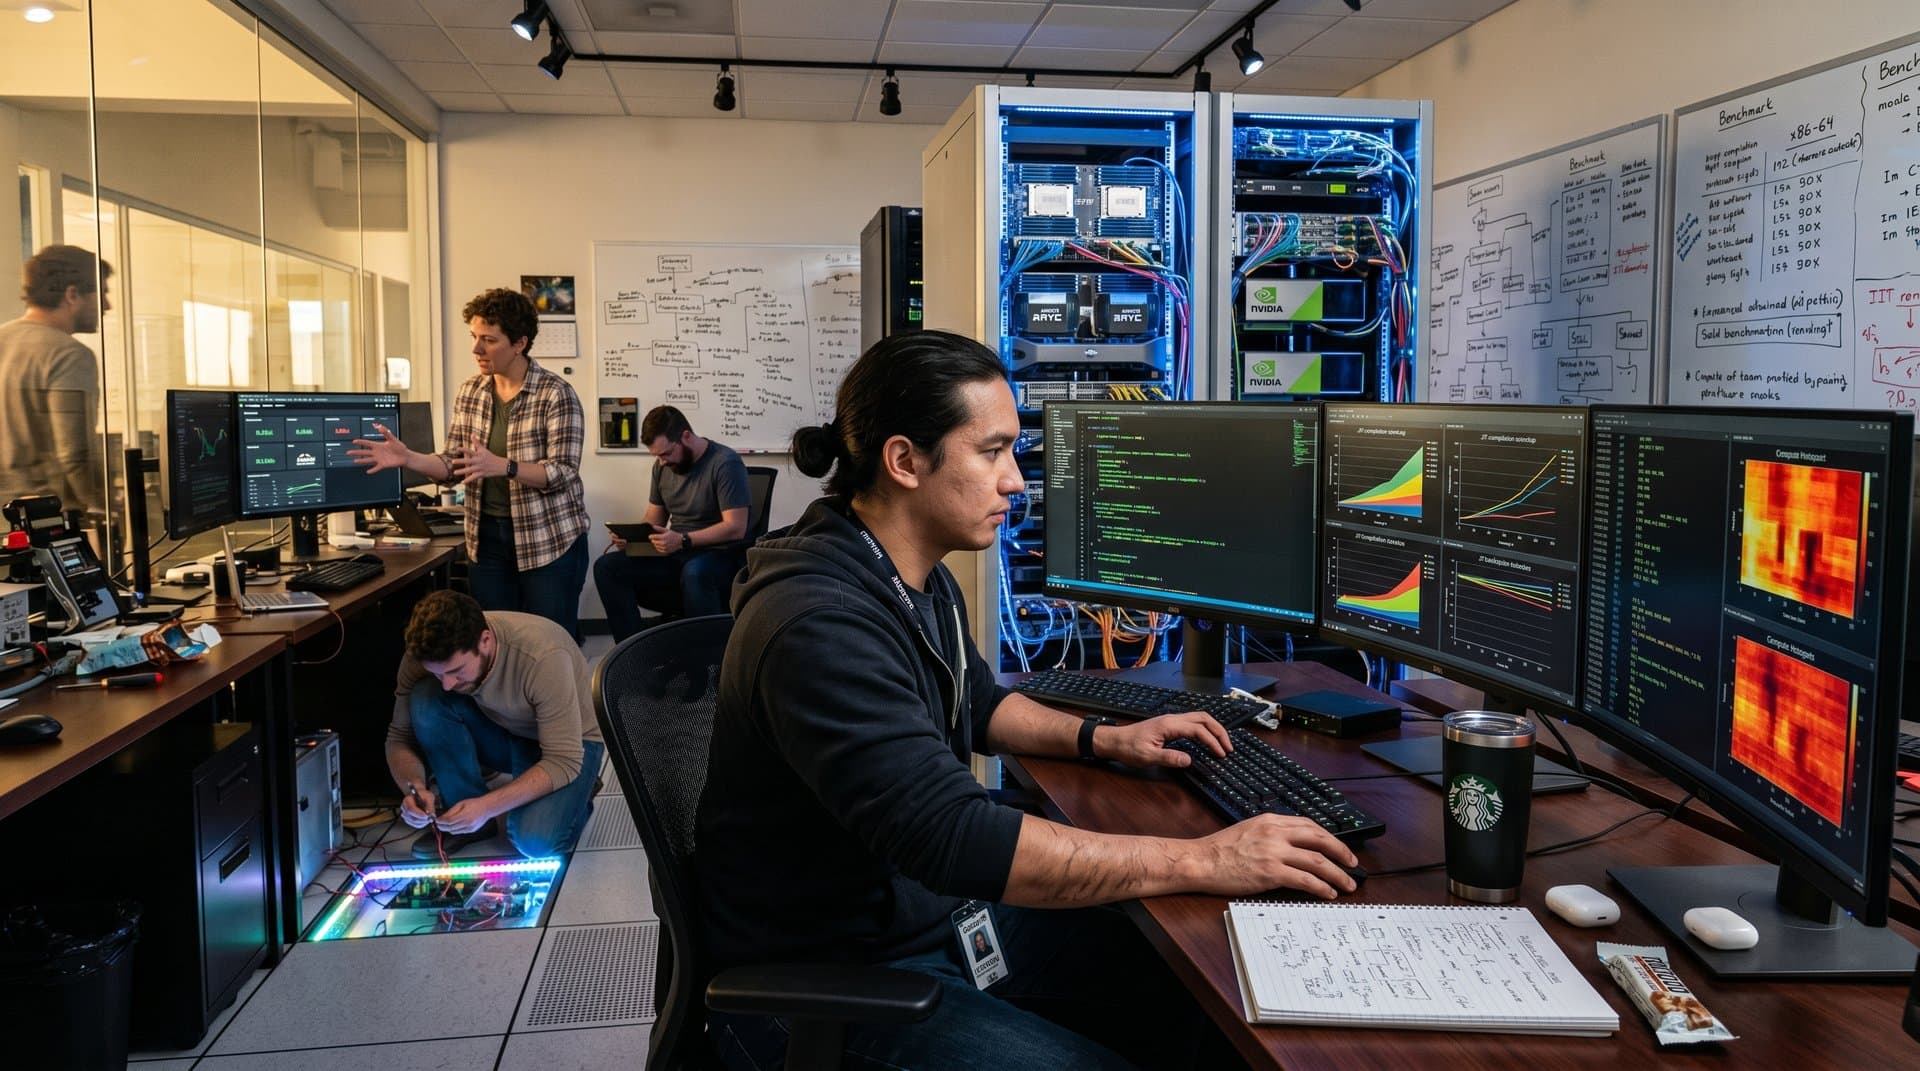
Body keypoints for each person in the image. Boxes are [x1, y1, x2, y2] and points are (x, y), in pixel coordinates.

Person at [696, 330, 1358, 1071]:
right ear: (906, 460)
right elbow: (955, 837)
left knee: (1194, 987)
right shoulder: (817, 622)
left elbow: (973, 701)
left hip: (919, 918)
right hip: (827, 982)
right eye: (993, 451)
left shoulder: (901, 569)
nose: (1017, 480)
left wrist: (1103, 739)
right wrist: (1206, 857)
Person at [350, 288, 589, 638]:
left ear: (519, 343)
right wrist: (409, 458)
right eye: (474, 337)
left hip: (547, 539)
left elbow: (562, 473)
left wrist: (504, 466)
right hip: (486, 538)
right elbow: (452, 465)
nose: (476, 349)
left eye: (489, 340)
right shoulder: (471, 391)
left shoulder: (556, 394)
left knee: (548, 644)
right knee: (495, 641)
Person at [386, 590, 602, 860]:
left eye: (456, 671)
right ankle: (466, 821)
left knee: (535, 844)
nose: (447, 684)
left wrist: (488, 805)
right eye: (437, 673)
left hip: (571, 745)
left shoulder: (542, 655)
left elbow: (563, 760)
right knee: (426, 697)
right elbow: (399, 737)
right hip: (502, 728)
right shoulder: (423, 655)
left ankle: (581, 793)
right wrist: (415, 788)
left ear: (485, 640)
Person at [591, 405, 750, 641]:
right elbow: (654, 519)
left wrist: (684, 540)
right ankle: (633, 653)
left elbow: (736, 527)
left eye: (665, 453)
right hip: (679, 553)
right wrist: (631, 537)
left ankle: (706, 661)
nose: (662, 461)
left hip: (720, 555)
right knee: (607, 567)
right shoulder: (663, 467)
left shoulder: (725, 463)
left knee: (695, 572)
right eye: (657, 456)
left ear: (685, 436)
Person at [0, 245, 110, 514]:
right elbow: (74, 454)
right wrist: (103, 506)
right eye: (102, 294)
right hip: (45, 517)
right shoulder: (69, 354)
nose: (107, 306)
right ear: (72, 295)